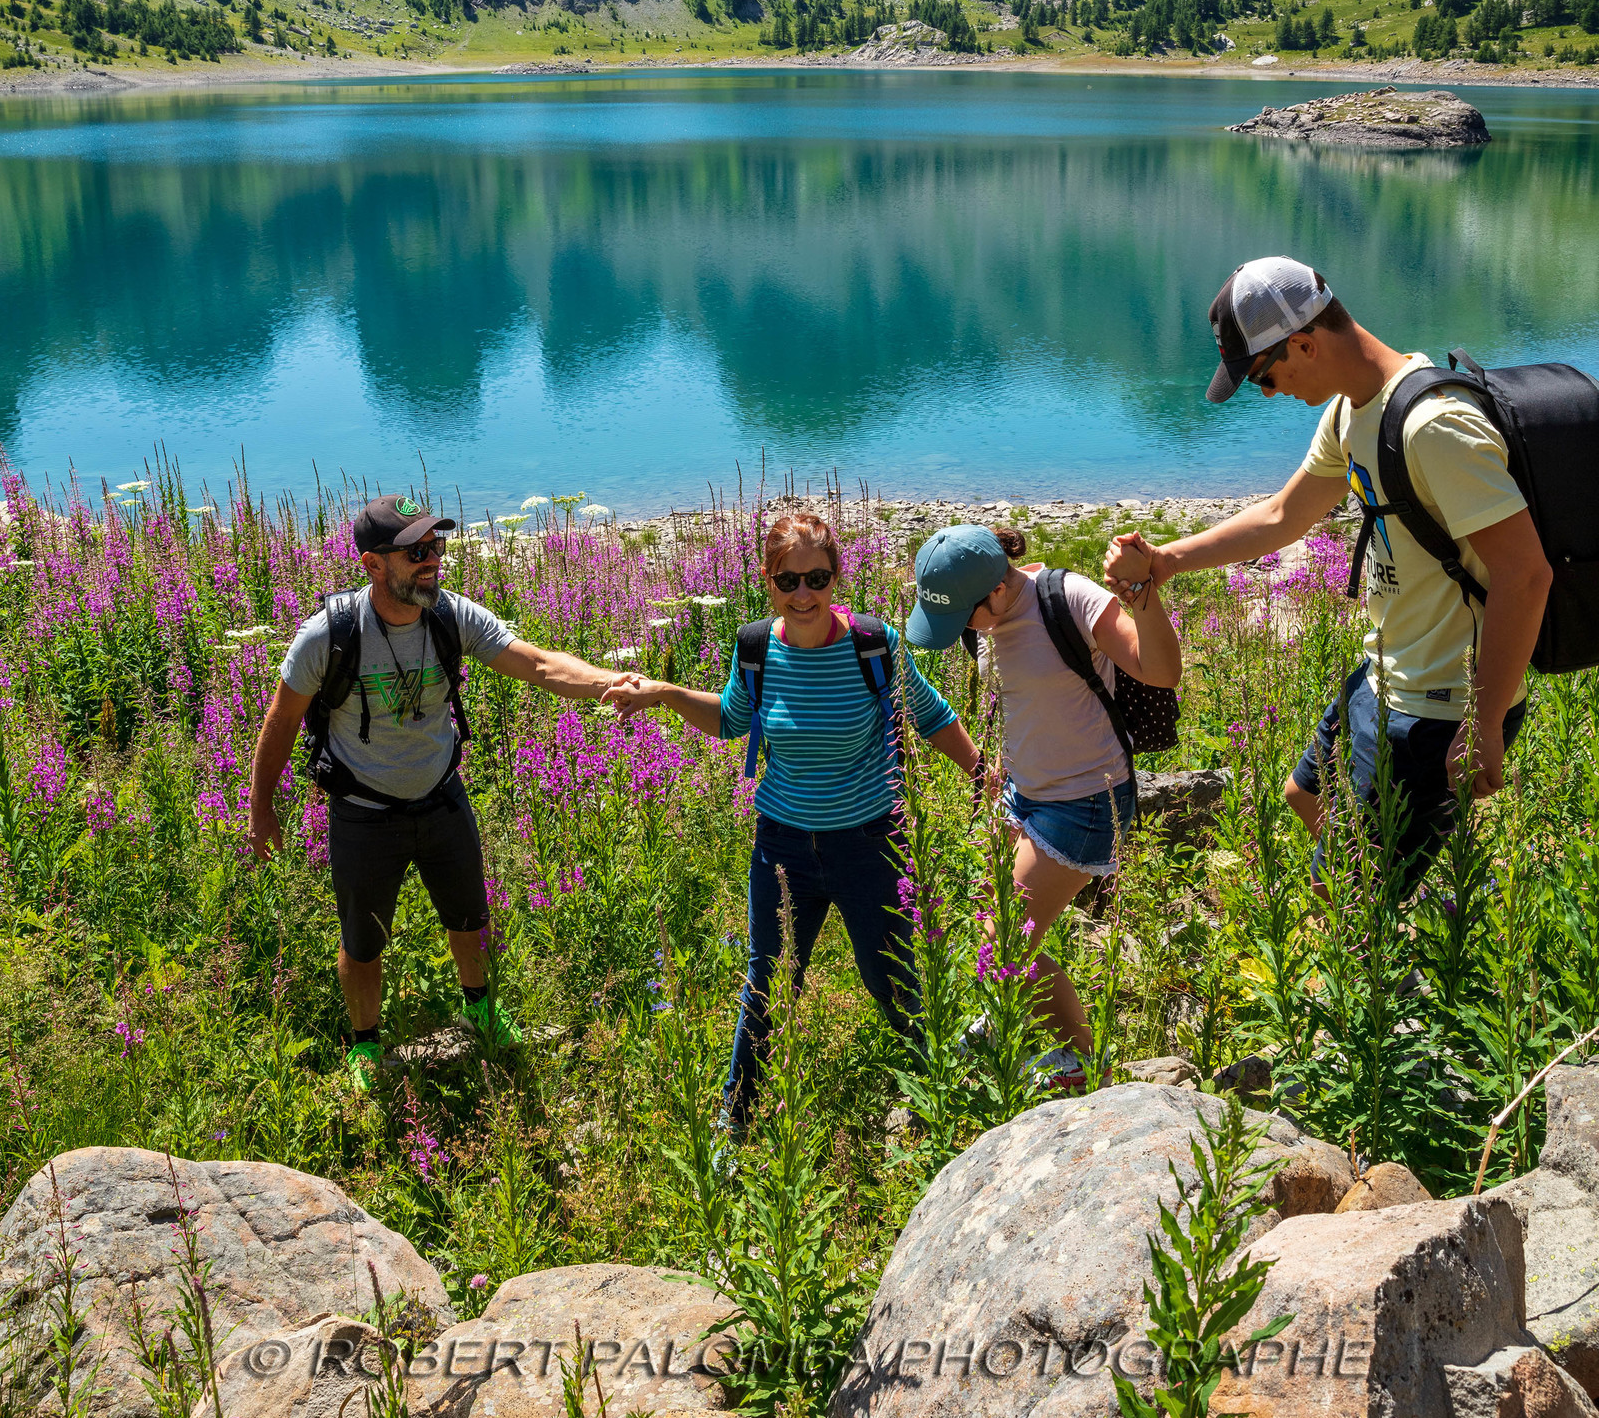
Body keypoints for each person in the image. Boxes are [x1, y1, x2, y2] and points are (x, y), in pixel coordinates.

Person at [1103, 255, 1552, 893]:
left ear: (1305, 343)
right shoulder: (1351, 412)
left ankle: (1387, 948)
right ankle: (1397, 915)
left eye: (1263, 372)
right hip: (1384, 673)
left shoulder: (1434, 427)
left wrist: (1482, 725)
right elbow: (1285, 516)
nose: (1266, 391)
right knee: (1305, 797)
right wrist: (1167, 561)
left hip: (1442, 704)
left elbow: (1526, 576)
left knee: (1338, 898)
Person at [606, 510, 983, 1132]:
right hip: (780, 844)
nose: (804, 593)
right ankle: (740, 1123)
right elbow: (731, 721)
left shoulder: (876, 645)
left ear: (838, 575)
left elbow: (932, 716)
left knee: (892, 975)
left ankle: (943, 1092)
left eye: (818, 577)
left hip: (869, 843)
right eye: (788, 581)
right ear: (768, 580)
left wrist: (981, 774)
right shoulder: (755, 649)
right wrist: (666, 693)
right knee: (769, 984)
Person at [249, 494, 626, 1089]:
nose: (433, 562)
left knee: (471, 918)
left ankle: (481, 1010)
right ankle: (365, 1047)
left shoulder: (453, 616)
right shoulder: (330, 635)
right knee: (363, 939)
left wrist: (614, 682)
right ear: (373, 565)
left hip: (442, 796)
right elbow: (282, 722)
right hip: (363, 811)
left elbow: (542, 666)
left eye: (437, 547)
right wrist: (262, 810)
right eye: (416, 552)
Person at [905, 521, 1181, 1087]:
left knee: (1001, 939)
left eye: (962, 618)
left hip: (1085, 800)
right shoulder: (991, 612)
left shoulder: (1069, 597)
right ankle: (1011, 1011)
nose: (962, 631)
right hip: (1026, 792)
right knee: (998, 925)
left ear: (998, 590)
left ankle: (1082, 1062)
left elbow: (1162, 671)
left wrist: (1141, 594)